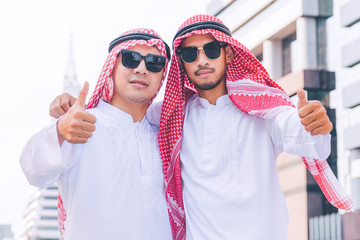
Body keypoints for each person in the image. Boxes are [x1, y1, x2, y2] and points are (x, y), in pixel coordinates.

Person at [47, 15, 353, 240]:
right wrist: (69, 108)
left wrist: (316, 125)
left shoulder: (265, 110)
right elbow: (123, 118)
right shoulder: (171, 119)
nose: (202, 60)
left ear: (229, 53)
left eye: (210, 50)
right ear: (181, 63)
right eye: (190, 54)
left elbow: (303, 136)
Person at [20, 28, 173, 240]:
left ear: (162, 76)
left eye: (154, 63)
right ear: (111, 68)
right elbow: (34, 171)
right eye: (130, 59)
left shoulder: (167, 137)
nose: (141, 69)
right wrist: (59, 132)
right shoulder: (82, 123)